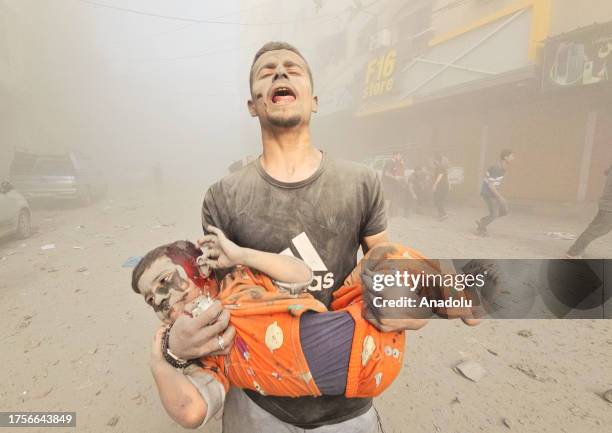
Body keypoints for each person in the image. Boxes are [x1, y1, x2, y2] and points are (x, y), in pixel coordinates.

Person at [164, 41, 476, 433]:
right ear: (253, 105)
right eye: (266, 71)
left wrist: (409, 299)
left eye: (292, 68)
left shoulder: (361, 182)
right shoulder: (223, 196)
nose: (279, 72)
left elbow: (383, 262)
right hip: (260, 401)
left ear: (313, 100)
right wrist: (170, 349)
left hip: (348, 401)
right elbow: (222, 295)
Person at [135, 227, 465, 428]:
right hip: (361, 367)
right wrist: (163, 360)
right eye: (151, 300)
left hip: (360, 328)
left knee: (382, 257)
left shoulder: (242, 281)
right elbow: (191, 412)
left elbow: (301, 274)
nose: (161, 300)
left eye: (164, 282)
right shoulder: (206, 354)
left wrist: (243, 255)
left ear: (201, 268)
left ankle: (462, 295)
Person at [567, 165, 612, 258]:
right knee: (597, 229)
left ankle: (577, 249)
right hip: (609, 207)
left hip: (607, 205)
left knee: (595, 228)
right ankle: (574, 252)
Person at [476, 149, 515, 236]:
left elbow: (496, 182)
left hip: (493, 192)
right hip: (488, 193)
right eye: (512, 156)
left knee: (504, 211)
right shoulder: (496, 168)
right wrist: (500, 197)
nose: (513, 158)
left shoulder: (502, 167)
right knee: (494, 214)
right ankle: (481, 229)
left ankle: (483, 221)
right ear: (505, 157)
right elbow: (491, 185)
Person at [383, 152, 407, 217]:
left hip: (391, 184)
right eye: (399, 155)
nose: (400, 157)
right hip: (387, 184)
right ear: (395, 155)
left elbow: (399, 171)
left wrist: (402, 164)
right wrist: (395, 177)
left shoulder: (395, 163)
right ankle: (385, 214)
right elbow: (386, 173)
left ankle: (388, 214)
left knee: (390, 199)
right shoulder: (390, 162)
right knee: (387, 199)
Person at [432, 154, 450, 220]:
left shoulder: (439, 167)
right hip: (444, 186)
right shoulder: (442, 167)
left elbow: (440, 175)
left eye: (434, 160)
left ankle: (444, 214)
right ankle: (441, 214)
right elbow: (446, 177)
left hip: (441, 186)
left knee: (437, 200)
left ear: (436, 160)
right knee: (439, 200)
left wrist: (435, 185)